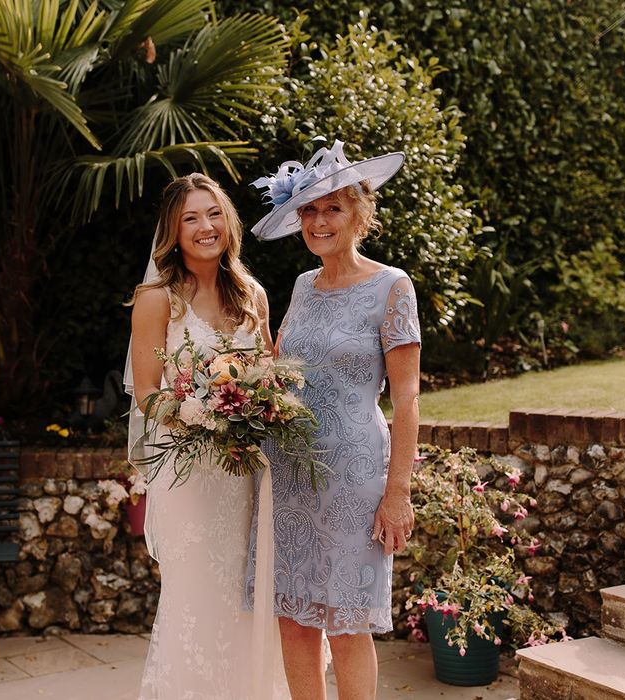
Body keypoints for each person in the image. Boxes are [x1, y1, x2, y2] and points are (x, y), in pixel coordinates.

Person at [246, 140, 421, 700]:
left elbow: (409, 399)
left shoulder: (392, 286)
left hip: (353, 476)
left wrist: (398, 492)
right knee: (294, 617)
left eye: (333, 208)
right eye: (309, 210)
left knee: (347, 623)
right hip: (289, 475)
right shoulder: (300, 286)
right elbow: (278, 369)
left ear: (359, 215)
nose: (319, 221)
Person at [125, 173, 286, 699]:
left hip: (244, 472)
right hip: (188, 476)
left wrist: (256, 407)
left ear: (228, 223)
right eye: (191, 218)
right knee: (195, 597)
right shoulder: (156, 299)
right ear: (173, 232)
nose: (205, 226)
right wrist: (198, 414)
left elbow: (269, 378)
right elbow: (147, 391)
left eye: (213, 213)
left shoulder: (252, 295)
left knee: (247, 596)